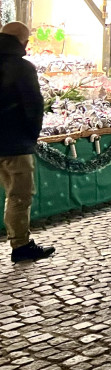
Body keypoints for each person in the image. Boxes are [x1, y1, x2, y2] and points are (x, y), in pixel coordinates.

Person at [0, 21, 54, 263]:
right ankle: (20, 245)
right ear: (25, 42)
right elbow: (34, 107)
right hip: (15, 144)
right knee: (19, 196)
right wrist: (29, 137)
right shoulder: (23, 68)